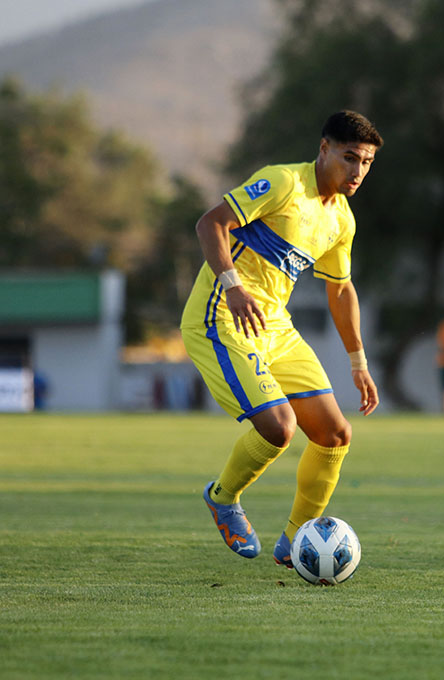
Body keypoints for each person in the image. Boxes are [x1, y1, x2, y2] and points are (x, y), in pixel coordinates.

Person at [180, 110, 382, 568]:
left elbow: (340, 288)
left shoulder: (341, 220)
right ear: (324, 148)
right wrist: (233, 286)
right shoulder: (283, 183)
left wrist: (358, 361)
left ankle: (296, 542)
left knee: (334, 434)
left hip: (275, 327)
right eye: (350, 158)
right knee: (278, 427)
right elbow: (210, 223)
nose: (357, 171)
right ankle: (223, 497)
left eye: (367, 162)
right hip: (221, 318)